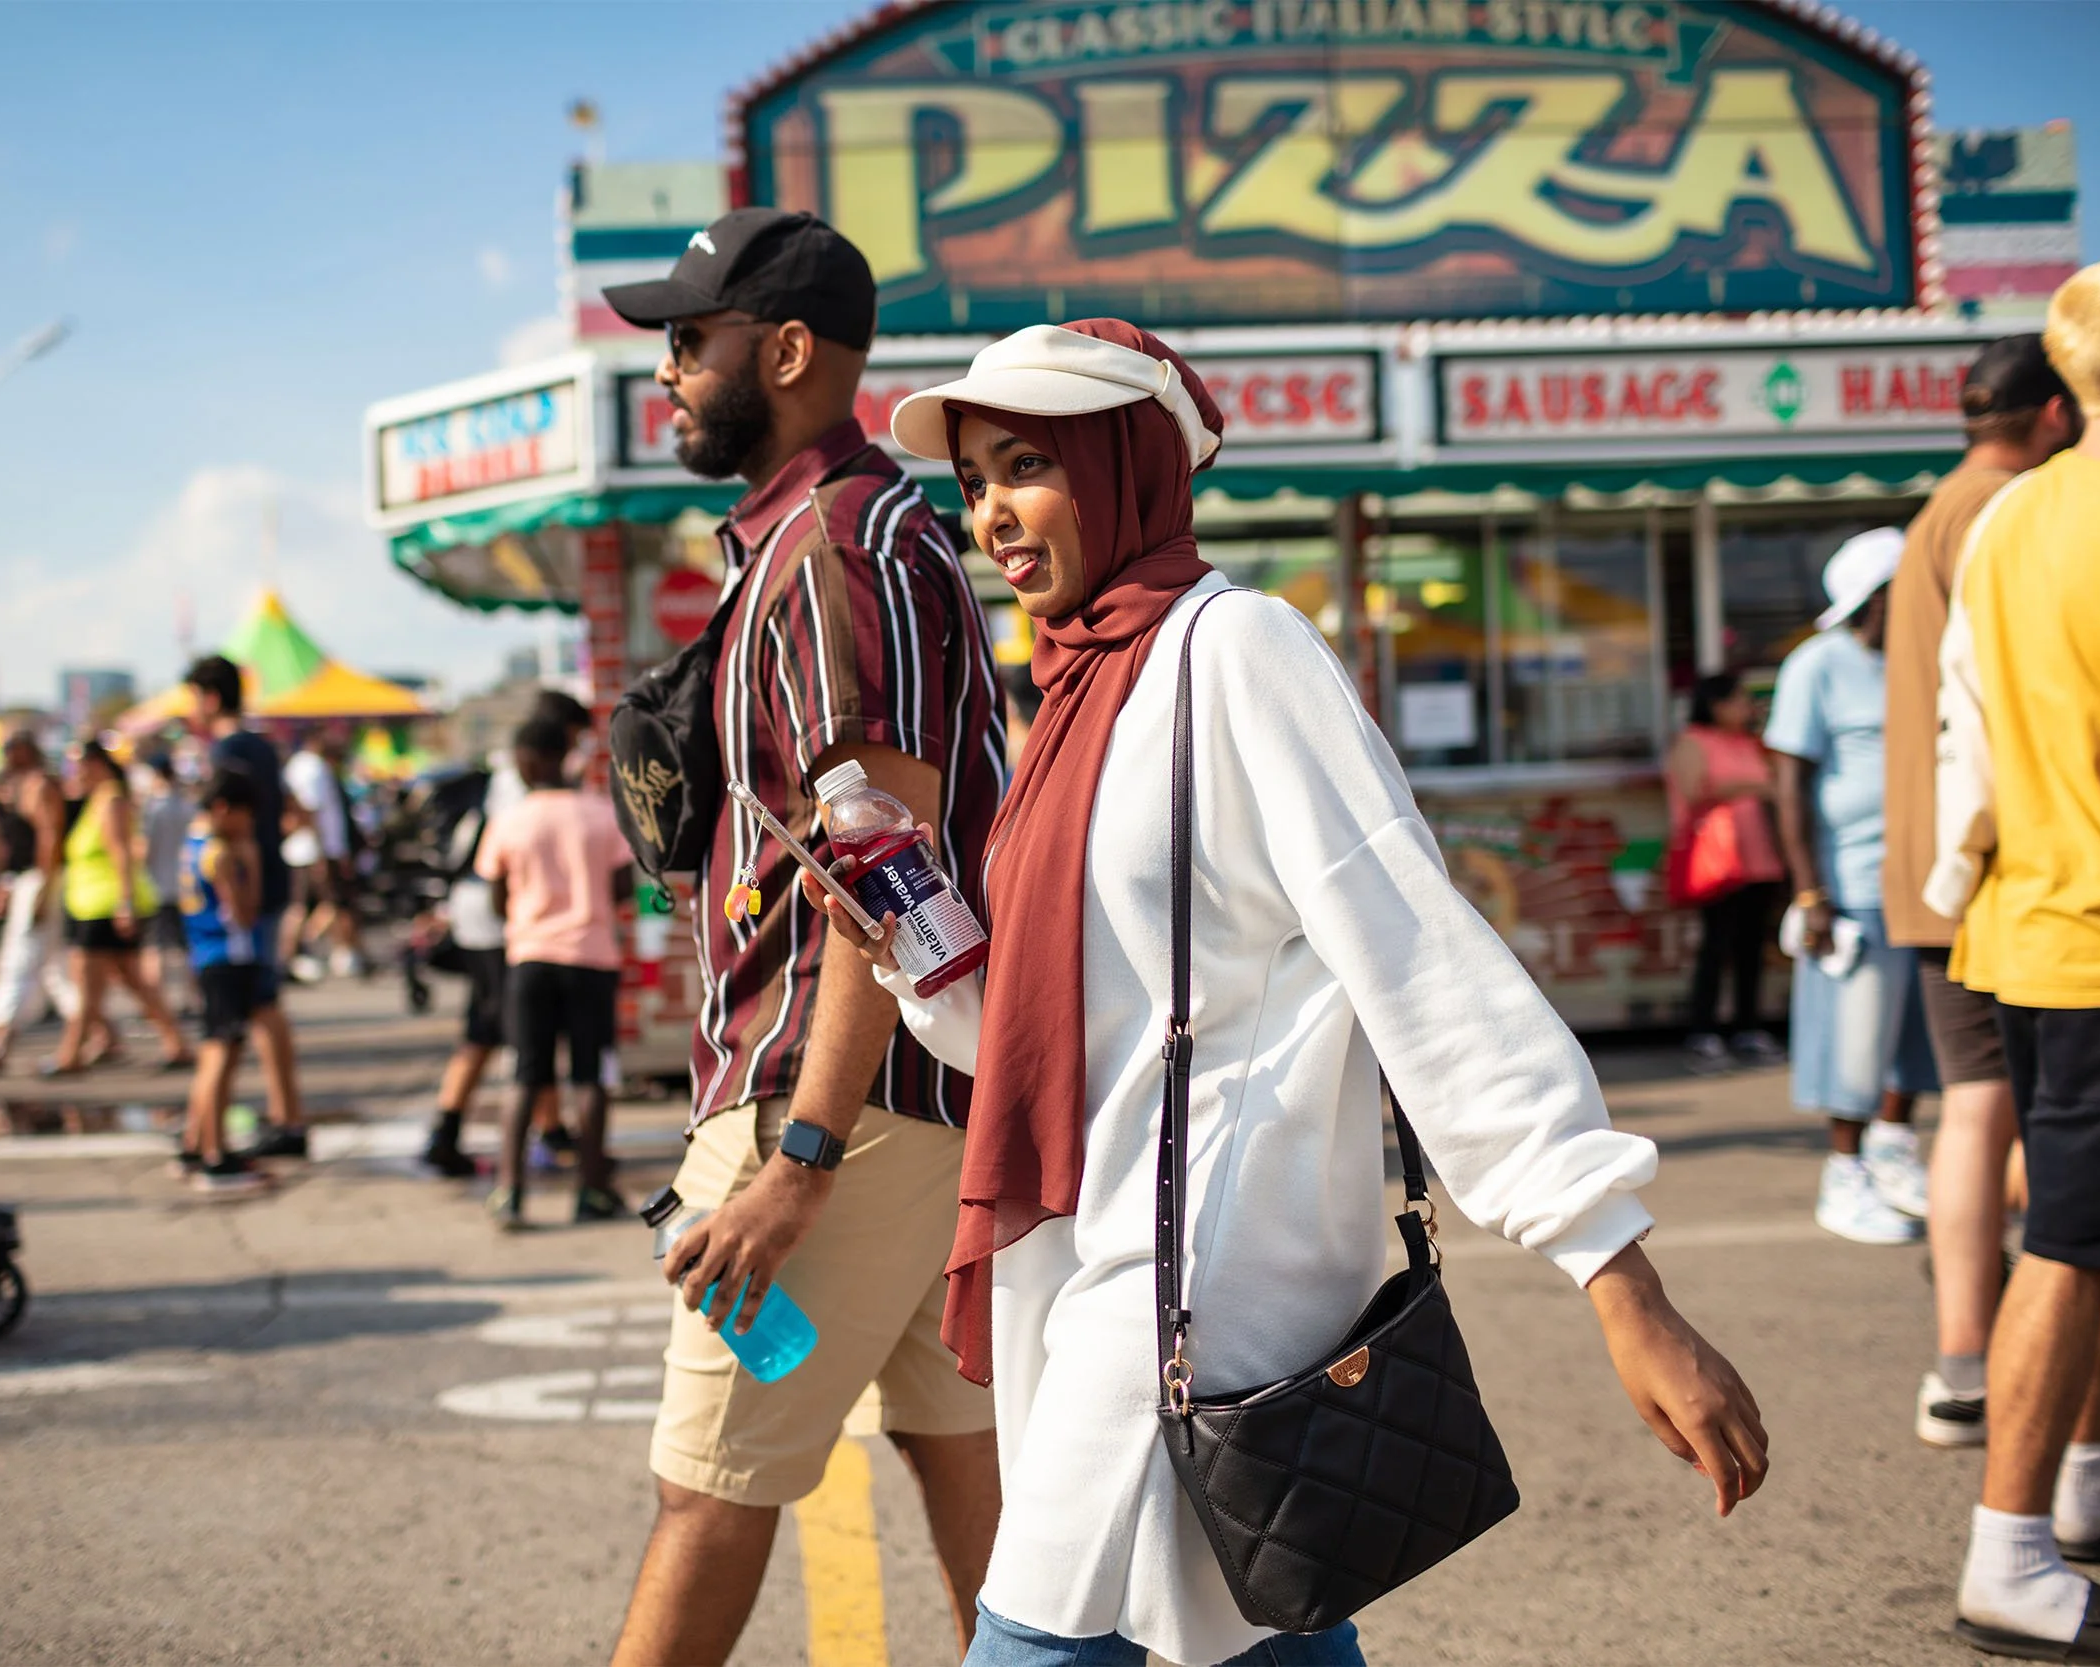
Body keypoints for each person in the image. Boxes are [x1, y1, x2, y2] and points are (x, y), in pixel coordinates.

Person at [805, 318, 1764, 1667]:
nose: (992, 515)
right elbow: (1054, 1034)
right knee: (1253, 1626)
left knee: (1038, 1634)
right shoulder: (1079, 691)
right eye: (972, 482)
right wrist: (911, 948)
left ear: (1127, 462)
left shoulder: (1238, 651)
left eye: (1026, 464)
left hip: (1198, 1279)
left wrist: (1615, 1269)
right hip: (1099, 1264)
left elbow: (1419, 952)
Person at [601, 207, 1009, 1666]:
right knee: (962, 1464)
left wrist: (802, 1158)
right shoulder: (839, 535)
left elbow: (881, 876)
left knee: (702, 1487)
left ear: (780, 351)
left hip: (843, 1105)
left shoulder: (837, 549)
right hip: (912, 1100)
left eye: (686, 340)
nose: (664, 371)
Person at [1928, 256, 2100, 1661]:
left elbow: (1975, 731)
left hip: (2033, 917)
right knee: (2074, 1243)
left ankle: (2076, 1479)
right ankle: (2010, 1545)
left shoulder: (2014, 512)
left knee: (2094, 1226)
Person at [1880, 334, 2080, 1449]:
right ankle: (2099, 1382)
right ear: (2054, 411)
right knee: (2074, 1127)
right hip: (2003, 860)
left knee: (1973, 1107)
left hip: (1929, 858)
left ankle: (1962, 1362)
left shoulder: (1937, 512)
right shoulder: (2014, 511)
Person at [1763, 528, 1938, 1246]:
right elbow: (1789, 783)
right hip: (1853, 884)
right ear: (1880, 596)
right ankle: (1845, 1172)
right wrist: (1811, 893)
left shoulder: (1921, 657)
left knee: (1915, 1037)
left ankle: (1894, 1151)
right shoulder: (1818, 664)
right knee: (1855, 1040)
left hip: (1925, 884)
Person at [419, 688, 601, 1180]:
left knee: (486, 1024)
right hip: (507, 924)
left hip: (480, 916)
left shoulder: (505, 772)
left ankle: (448, 1127)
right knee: (527, 1036)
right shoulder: (530, 782)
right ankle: (549, 1134)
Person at [478, 716, 636, 1228]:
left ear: (526, 762)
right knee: (591, 1075)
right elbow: (621, 889)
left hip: (530, 960)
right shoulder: (600, 814)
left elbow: (497, 897)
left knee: (526, 1073)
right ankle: (591, 1190)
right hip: (591, 958)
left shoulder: (510, 820)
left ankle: (510, 1190)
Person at [185, 655, 307, 1161]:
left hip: (242, 901)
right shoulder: (261, 745)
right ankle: (282, 1116)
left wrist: (238, 883)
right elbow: (290, 811)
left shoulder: (229, 750)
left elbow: (240, 829)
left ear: (210, 697)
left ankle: (249, 1125)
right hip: (263, 889)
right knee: (261, 1005)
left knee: (247, 1011)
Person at [1663, 671, 1786, 1067]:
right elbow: (1693, 790)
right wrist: (1751, 789)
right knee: (1716, 945)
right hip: (1718, 861)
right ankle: (1704, 1030)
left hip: (1759, 858)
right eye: (1739, 699)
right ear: (1716, 704)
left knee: (1751, 947)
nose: (1747, 706)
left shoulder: (1750, 742)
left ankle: (1747, 1027)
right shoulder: (1692, 742)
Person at [47, 740, 192, 1078]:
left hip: (105, 905)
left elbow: (121, 851)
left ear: (96, 763)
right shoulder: (96, 798)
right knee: (132, 980)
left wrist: (124, 901)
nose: (74, 773)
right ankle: (175, 1043)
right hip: (93, 904)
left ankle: (71, 1054)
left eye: (77, 765)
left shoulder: (110, 799)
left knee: (88, 982)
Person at [175, 769, 275, 1195]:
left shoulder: (192, 843)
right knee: (221, 1054)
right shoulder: (221, 853)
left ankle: (197, 1143)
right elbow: (246, 912)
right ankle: (214, 1153)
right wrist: (250, 863)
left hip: (206, 956)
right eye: (245, 816)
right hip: (228, 957)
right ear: (223, 809)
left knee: (213, 1053)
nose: (248, 825)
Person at [0, 731, 68, 1073]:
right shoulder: (16, 787)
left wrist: (43, 889)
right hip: (27, 880)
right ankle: (100, 1033)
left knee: (20, 959)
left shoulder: (40, 787)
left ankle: (0, 1040)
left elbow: (49, 839)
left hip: (39, 880)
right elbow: (14, 845)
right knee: (56, 969)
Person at [282, 729, 359, 982]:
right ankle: (294, 954)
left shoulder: (298, 765)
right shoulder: (313, 768)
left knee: (313, 905)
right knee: (328, 904)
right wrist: (320, 852)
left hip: (308, 849)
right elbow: (309, 810)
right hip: (316, 850)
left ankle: (299, 954)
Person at [134, 750, 196, 1015]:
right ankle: (191, 998)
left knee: (154, 947)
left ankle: (155, 1003)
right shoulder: (187, 805)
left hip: (156, 885)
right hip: (184, 884)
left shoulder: (154, 808)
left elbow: (144, 849)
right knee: (186, 946)